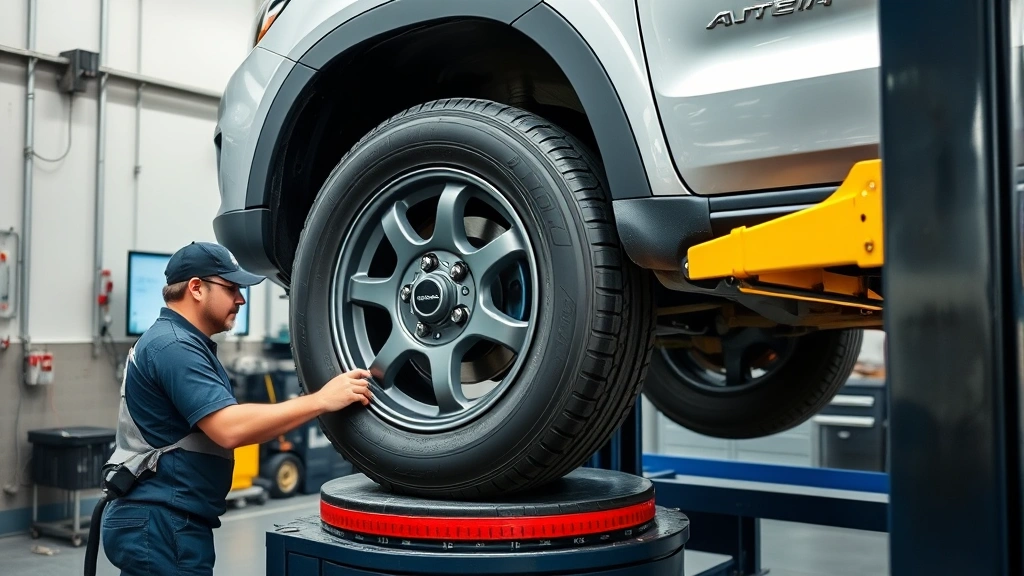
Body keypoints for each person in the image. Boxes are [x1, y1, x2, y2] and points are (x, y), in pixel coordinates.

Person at [100, 241, 372, 575]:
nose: (240, 299)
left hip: (167, 519)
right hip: (161, 520)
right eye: (231, 288)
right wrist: (321, 400)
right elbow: (228, 428)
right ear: (196, 288)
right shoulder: (174, 345)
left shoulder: (176, 341)